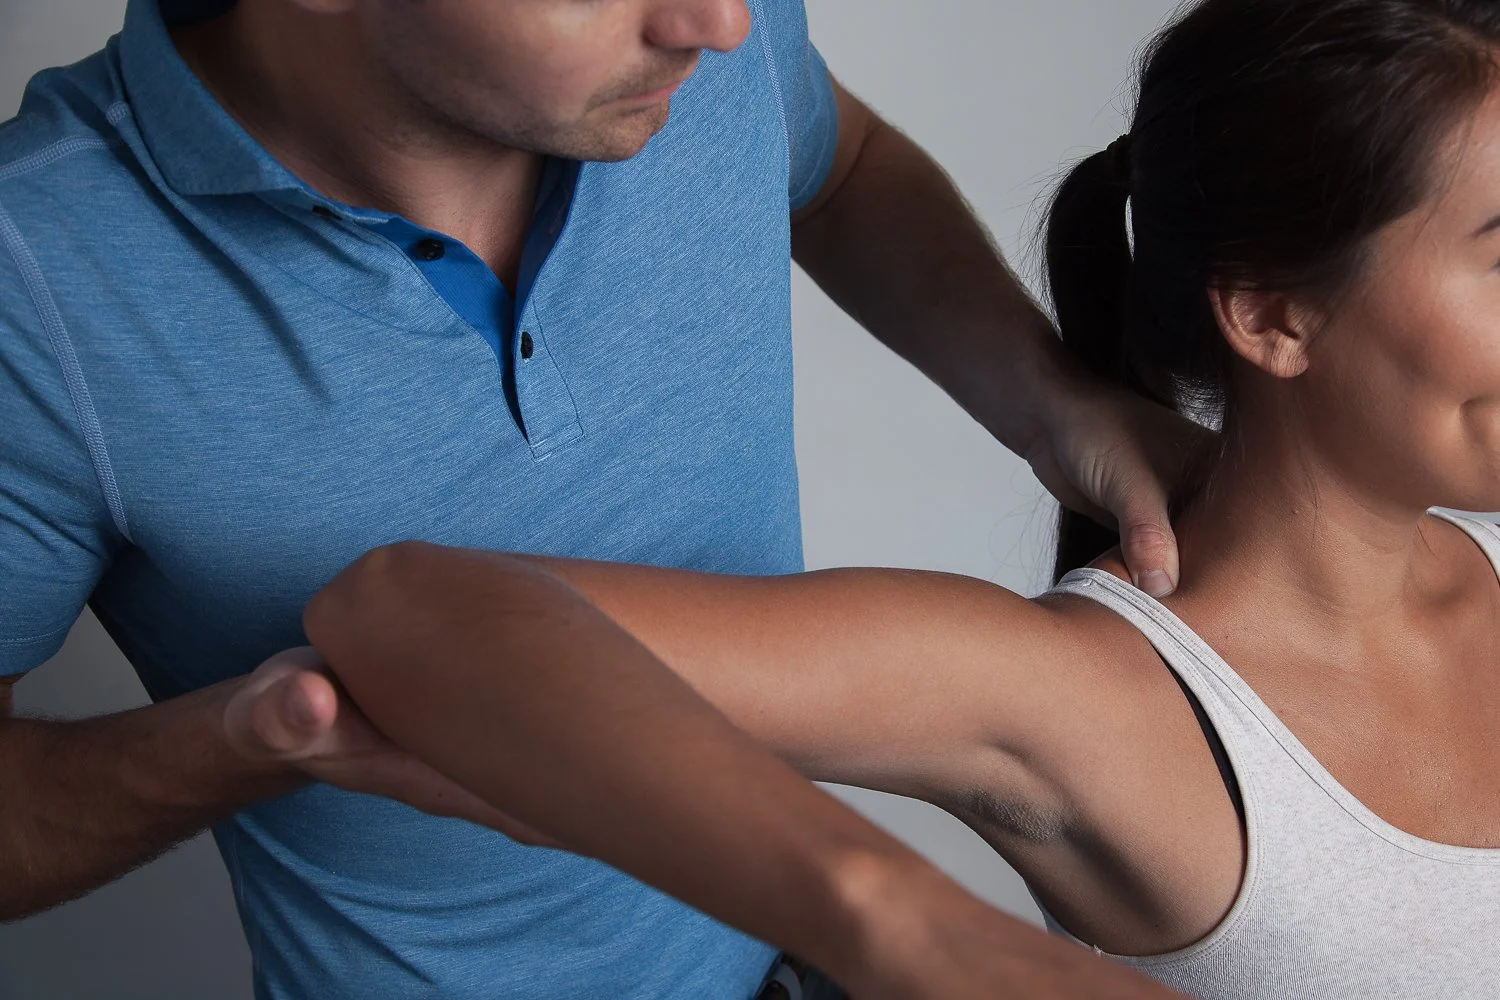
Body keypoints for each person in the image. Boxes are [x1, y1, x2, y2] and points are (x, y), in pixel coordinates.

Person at [271, 0, 1500, 996]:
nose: (714, 19)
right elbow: (399, 613)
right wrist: (905, 922)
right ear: (1275, 316)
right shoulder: (1084, 701)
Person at [0, 0, 1198, 997]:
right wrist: (247, 741)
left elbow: (837, 168)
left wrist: (1049, 400)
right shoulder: (34, 280)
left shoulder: (689, 53)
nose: (722, 25)